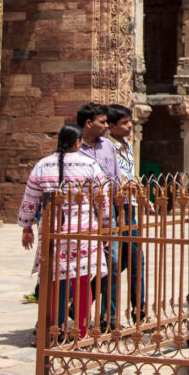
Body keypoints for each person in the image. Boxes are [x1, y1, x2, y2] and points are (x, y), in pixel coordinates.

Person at [18, 124, 109, 338]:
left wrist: (26, 227)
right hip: (83, 232)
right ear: (77, 142)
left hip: (53, 232)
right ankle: (81, 329)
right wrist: (106, 226)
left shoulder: (43, 165)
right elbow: (103, 198)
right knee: (83, 281)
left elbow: (30, 198)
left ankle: (53, 328)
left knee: (54, 281)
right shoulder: (89, 165)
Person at [77, 101, 121, 327]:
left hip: (107, 213)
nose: (106, 126)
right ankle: (77, 314)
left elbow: (116, 180)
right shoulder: (74, 148)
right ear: (88, 123)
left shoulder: (108, 147)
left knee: (112, 263)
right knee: (79, 266)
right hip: (81, 215)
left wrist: (119, 210)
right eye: (102, 122)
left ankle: (109, 316)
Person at [107, 103, 147, 325]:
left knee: (132, 260)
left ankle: (139, 311)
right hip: (116, 207)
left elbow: (130, 175)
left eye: (130, 122)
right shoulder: (107, 148)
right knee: (117, 261)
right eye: (124, 123)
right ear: (111, 126)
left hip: (129, 205)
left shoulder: (126, 146)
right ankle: (111, 315)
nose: (130, 126)